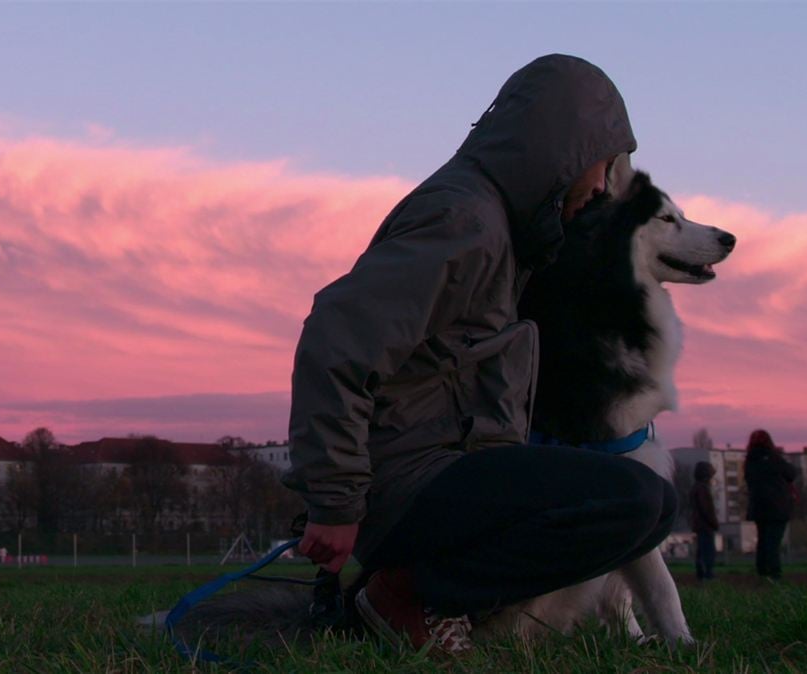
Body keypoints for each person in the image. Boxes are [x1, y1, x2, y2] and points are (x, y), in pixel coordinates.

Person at [283, 55, 674, 655]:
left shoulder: (507, 231)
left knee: (652, 505)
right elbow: (337, 340)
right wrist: (335, 501)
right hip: (407, 482)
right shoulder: (464, 219)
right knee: (631, 498)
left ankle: (429, 600)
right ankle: (408, 595)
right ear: (564, 150)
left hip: (440, 470)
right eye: (603, 165)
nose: (601, 186)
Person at [743, 430, 798, 581]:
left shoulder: (750, 461)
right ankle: (775, 574)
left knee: (762, 540)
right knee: (774, 542)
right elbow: (791, 473)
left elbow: (749, 481)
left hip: (759, 507)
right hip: (778, 507)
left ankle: (762, 572)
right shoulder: (774, 458)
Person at [689, 461, 719, 581]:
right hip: (705, 525)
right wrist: (714, 522)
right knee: (707, 550)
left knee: (702, 550)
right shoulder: (702, 489)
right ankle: (707, 574)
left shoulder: (696, 487)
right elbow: (706, 509)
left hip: (700, 525)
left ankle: (702, 573)